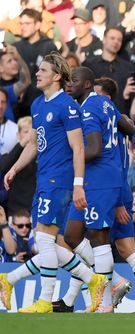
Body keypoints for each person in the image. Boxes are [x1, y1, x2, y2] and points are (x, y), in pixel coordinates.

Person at [0, 54, 107, 313]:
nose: (37, 74)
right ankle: (94, 280)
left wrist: (79, 184)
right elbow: (36, 143)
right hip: (44, 178)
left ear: (57, 76)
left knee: (46, 242)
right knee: (48, 241)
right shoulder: (38, 104)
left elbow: (78, 147)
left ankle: (45, 300)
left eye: (43, 70)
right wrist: (15, 167)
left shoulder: (67, 106)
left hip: (60, 180)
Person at [59, 66, 135, 313]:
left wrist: (67, 156)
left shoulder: (90, 108)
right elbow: (129, 128)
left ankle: (104, 305)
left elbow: (93, 149)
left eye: (75, 80)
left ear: (88, 84)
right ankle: (114, 281)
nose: (69, 84)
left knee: (98, 237)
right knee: (71, 235)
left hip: (101, 178)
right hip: (96, 178)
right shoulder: (103, 103)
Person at [0, 116, 36, 215]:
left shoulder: (40, 155)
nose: (29, 136)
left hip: (35, 208)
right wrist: (23, 143)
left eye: (32, 132)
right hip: (15, 211)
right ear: (18, 135)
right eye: (26, 132)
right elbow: (3, 166)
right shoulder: (10, 155)